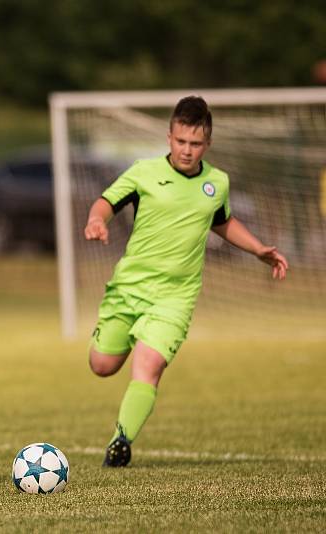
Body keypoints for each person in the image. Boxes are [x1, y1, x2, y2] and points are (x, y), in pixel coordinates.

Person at [84, 96, 289, 467]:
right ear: (169, 137)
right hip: (129, 287)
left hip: (175, 296)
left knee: (148, 367)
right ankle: (130, 335)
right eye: (181, 141)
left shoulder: (217, 183)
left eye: (195, 144)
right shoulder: (142, 173)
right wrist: (97, 220)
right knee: (101, 364)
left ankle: (121, 441)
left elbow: (222, 221)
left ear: (207, 144)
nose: (187, 150)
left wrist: (258, 249)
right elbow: (105, 202)